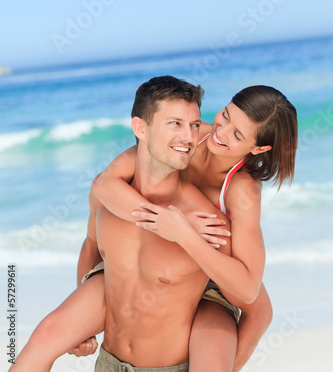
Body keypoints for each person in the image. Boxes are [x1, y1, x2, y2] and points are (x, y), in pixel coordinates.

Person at [9, 76, 233, 372]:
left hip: (168, 367)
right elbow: (91, 248)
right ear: (141, 128)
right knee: (44, 337)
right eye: (174, 123)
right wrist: (84, 326)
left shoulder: (207, 222)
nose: (189, 137)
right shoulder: (105, 195)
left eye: (194, 125)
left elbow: (242, 300)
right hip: (108, 363)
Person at [73, 80, 297, 371]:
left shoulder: (242, 191)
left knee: (260, 311)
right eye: (225, 115)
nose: (220, 132)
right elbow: (103, 185)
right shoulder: (188, 135)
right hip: (154, 254)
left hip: (205, 271)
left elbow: (249, 292)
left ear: (259, 148)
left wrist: (184, 233)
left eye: (238, 134)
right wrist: (164, 219)